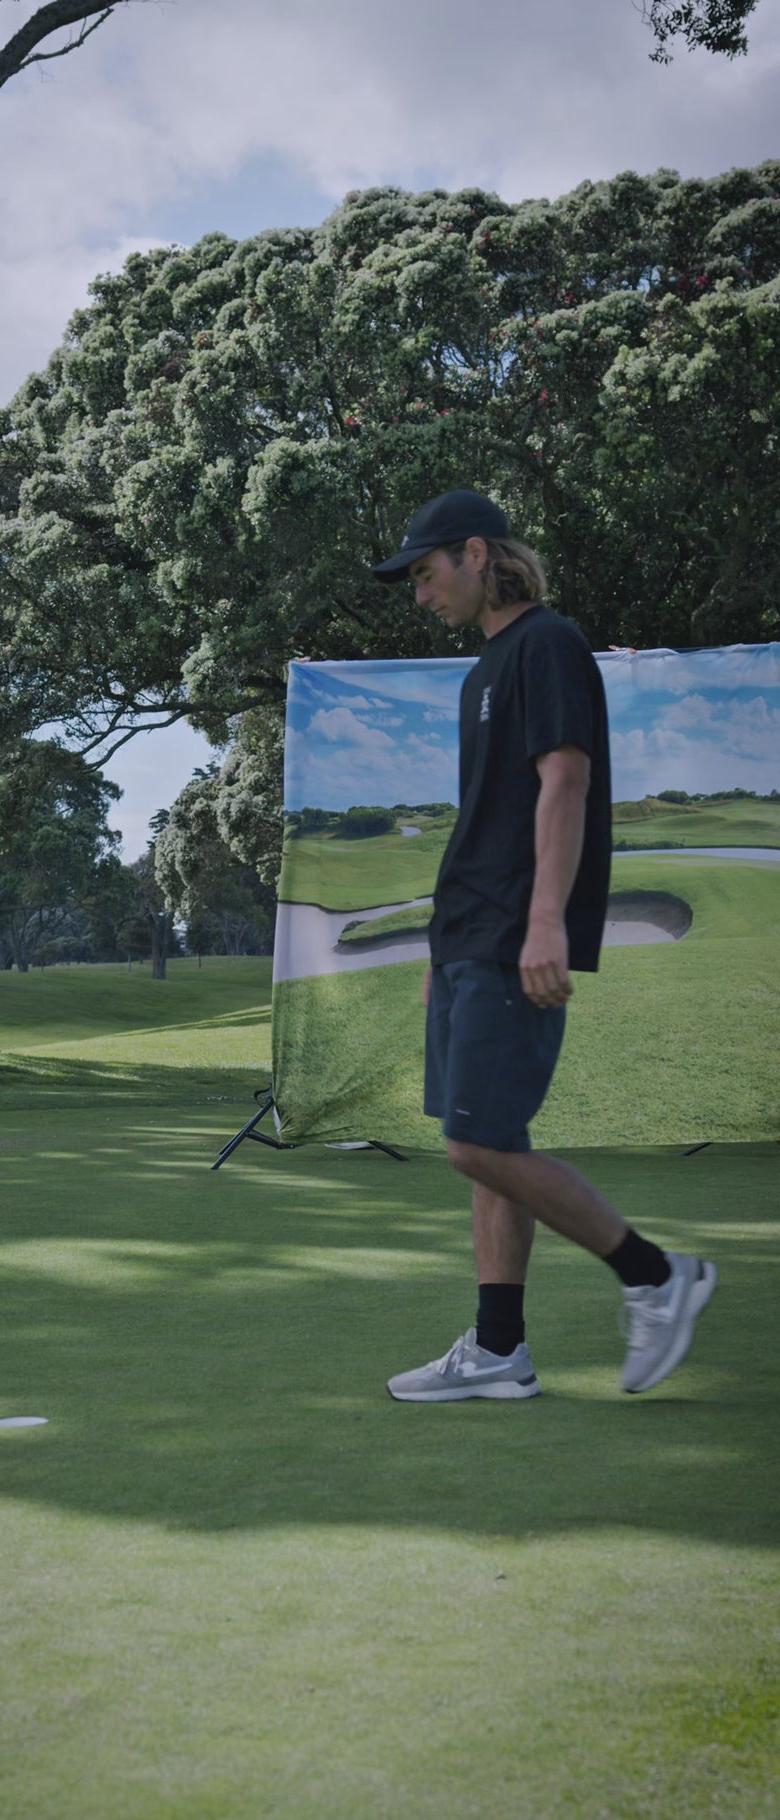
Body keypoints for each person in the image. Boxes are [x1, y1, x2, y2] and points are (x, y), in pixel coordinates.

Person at [372, 489, 716, 1401]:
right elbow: (485, 818)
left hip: (512, 931)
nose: (421, 595)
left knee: (474, 1146)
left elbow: (565, 781)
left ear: (477, 554)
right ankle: (499, 1351)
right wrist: (442, 948)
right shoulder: (482, 672)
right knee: (491, 1138)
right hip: (468, 937)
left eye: (427, 573)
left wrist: (546, 920)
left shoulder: (549, 644)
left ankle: (656, 1276)